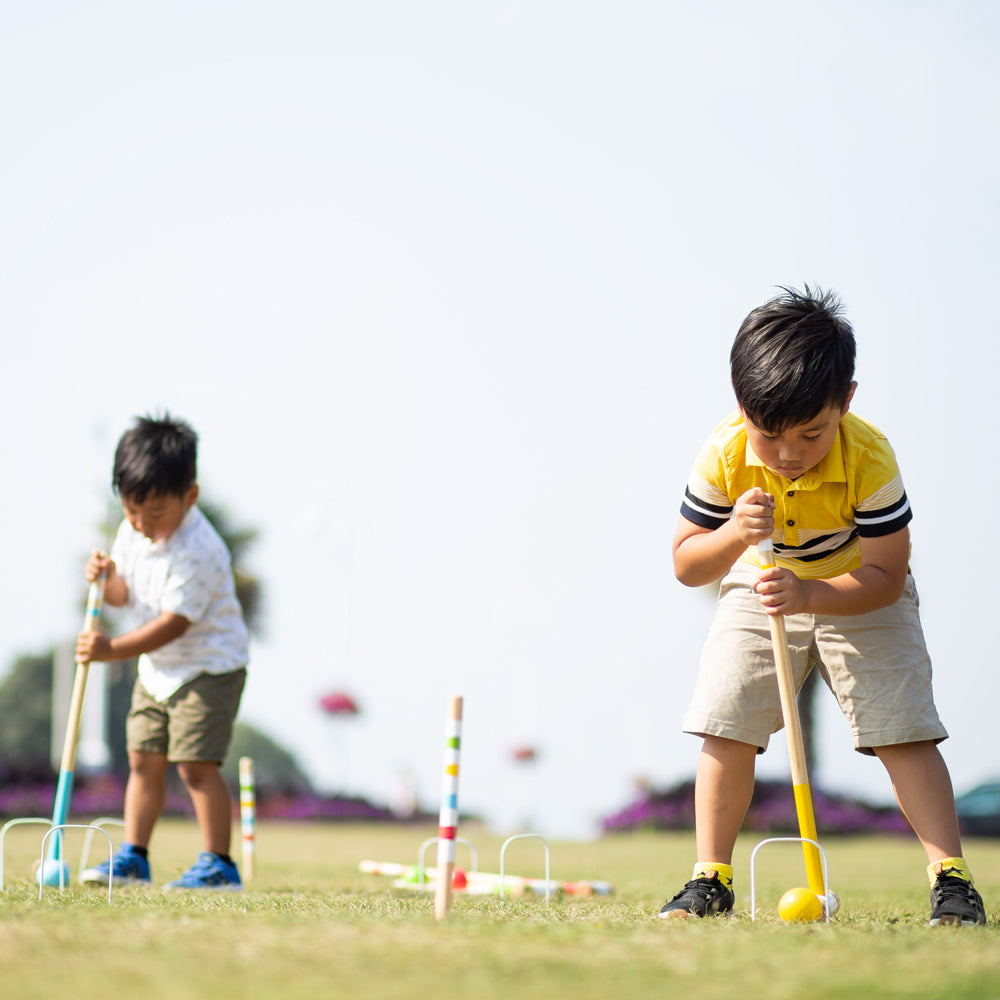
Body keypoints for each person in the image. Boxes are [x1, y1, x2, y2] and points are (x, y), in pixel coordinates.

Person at [659, 286, 986, 927]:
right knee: (725, 720)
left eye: (811, 434)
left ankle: (951, 878)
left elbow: (887, 576)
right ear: (740, 406)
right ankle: (711, 878)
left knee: (904, 728)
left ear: (847, 402)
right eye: (769, 435)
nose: (788, 454)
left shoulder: (869, 458)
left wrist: (812, 594)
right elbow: (685, 563)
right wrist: (732, 535)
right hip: (759, 588)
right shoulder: (724, 452)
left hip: (859, 591)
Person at [77, 413, 249, 890]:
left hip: (210, 666)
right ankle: (135, 856)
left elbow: (174, 624)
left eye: (155, 513)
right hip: (157, 670)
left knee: (195, 765)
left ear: (189, 496)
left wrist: (111, 650)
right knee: (142, 759)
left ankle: (219, 864)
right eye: (132, 511)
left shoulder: (201, 550)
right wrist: (106, 579)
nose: (141, 523)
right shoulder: (131, 532)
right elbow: (123, 596)